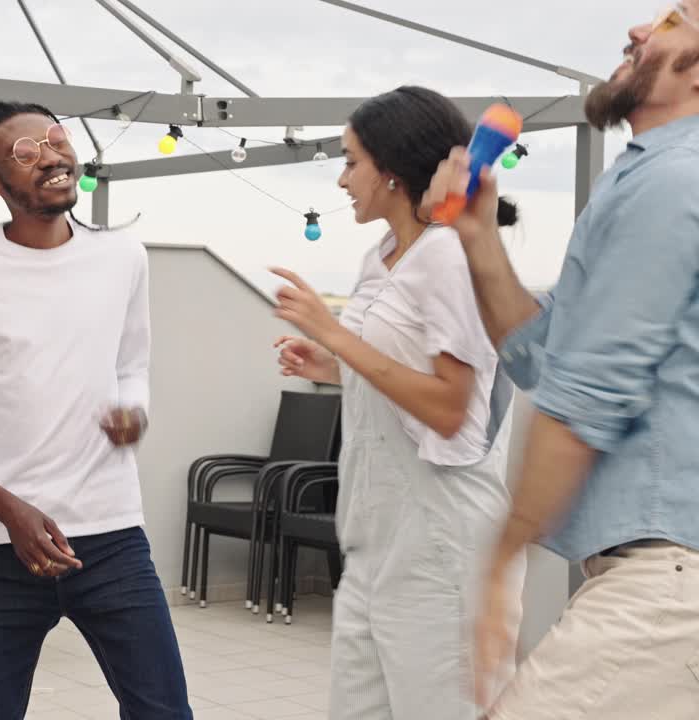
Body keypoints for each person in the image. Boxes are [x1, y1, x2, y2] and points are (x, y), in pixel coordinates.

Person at [420, 5, 699, 718]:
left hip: (669, 584)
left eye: (673, 19)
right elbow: (544, 358)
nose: (638, 31)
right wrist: (479, 234)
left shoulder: (677, 181)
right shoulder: (638, 181)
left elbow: (587, 393)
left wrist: (500, 560)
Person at [272, 86, 525, 719]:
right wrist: (332, 366)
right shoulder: (381, 256)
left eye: (351, 160)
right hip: (373, 538)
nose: (341, 178)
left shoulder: (449, 257)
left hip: (442, 540)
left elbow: (449, 407)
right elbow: (394, 368)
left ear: (390, 170)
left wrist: (332, 334)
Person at [0, 101, 192, 720]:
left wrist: (134, 410)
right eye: (25, 152)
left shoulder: (123, 257)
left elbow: (132, 365)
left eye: (55, 138)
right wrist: (5, 507)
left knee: (164, 712)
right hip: (2, 545)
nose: (51, 155)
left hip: (112, 535)